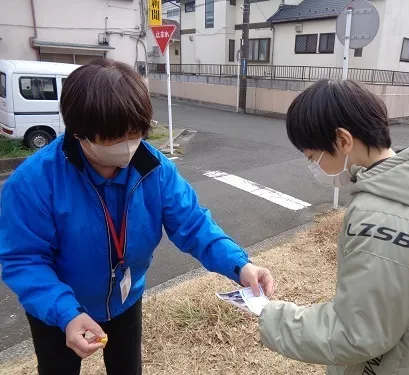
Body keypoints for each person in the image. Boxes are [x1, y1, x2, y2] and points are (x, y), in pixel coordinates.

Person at [0, 59, 274, 375]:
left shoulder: (154, 169)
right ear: (80, 133)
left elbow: (192, 223)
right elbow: (24, 260)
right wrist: (66, 314)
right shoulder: (34, 182)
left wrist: (241, 265)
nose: (128, 146)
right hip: (59, 310)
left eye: (135, 133)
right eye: (115, 137)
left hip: (125, 300)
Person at [259, 79, 409, 375]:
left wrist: (270, 316)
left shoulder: (383, 216)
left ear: (342, 141)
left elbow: (358, 333)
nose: (313, 166)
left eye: (312, 157)